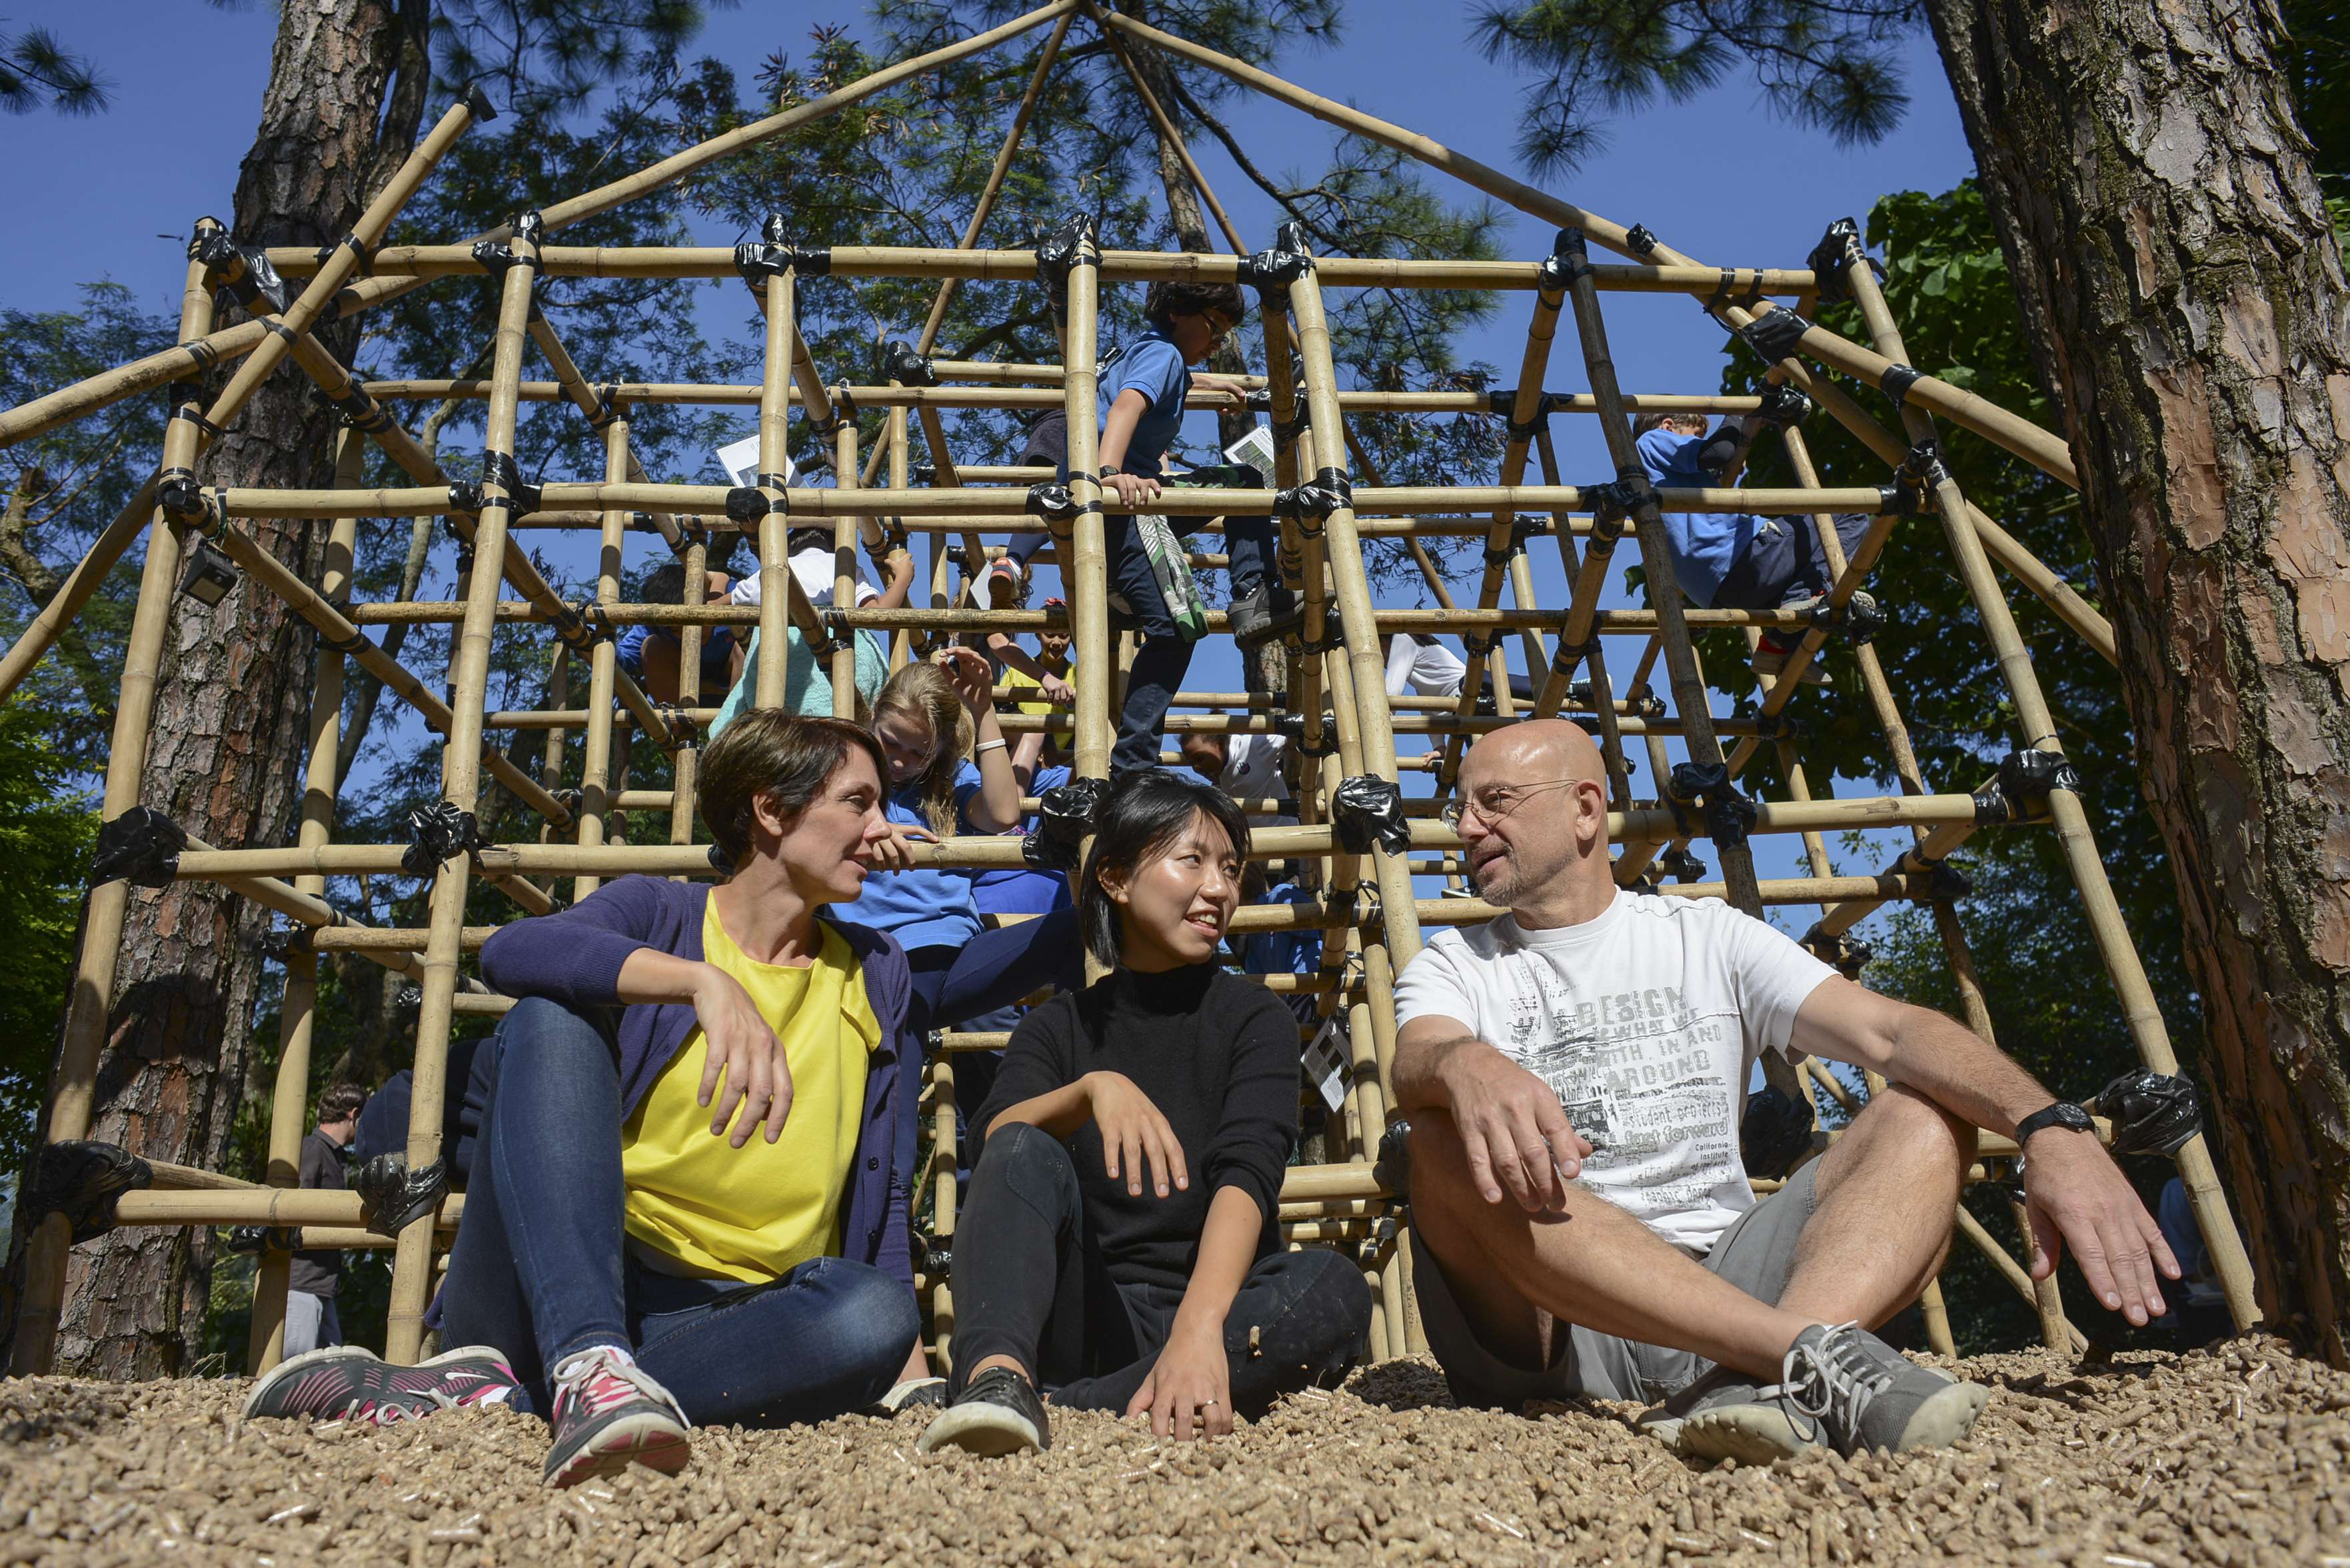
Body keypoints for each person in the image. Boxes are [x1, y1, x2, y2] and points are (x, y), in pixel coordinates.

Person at [243, 712, 1086, 1485]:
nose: (886, 827)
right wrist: (699, 984)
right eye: (860, 803)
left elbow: (896, 1168)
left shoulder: (876, 968)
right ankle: (585, 1359)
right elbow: (514, 949)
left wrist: (1081, 863)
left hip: (743, 1317)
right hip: (576, 1279)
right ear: (770, 810)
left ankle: (525, 1395)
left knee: (872, 1311)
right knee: (548, 1014)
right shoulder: (664, 913)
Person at [1389, 719, 2180, 1462]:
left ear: (1585, 809)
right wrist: (1464, 1064)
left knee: (1927, 1110)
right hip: (1552, 1320)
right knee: (1437, 1134)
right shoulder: (1453, 966)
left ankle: (1753, 1373)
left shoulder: (1705, 936)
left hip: (1727, 1275)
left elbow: (1894, 1034)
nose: (1464, 827)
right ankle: (1798, 1358)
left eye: (1493, 802)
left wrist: (2047, 1124)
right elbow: (1417, 1056)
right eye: (1460, 807)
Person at [917, 770, 1371, 1457]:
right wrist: (1089, 1091)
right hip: (1094, 1315)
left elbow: (1247, 1171)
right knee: (1019, 1143)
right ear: (1116, 879)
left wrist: (1197, 1330)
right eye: (1191, 860)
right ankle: (998, 1381)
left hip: (1218, 1313)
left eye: (1229, 868)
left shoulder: (1256, 1017)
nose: (1218, 889)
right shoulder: (1059, 1026)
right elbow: (996, 1145)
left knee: (1332, 1288)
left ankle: (1077, 1405)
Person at [979, 281, 1298, 773]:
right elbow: (1127, 404)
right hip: (1120, 505)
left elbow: (1159, 381)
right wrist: (1107, 475)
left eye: (1223, 336)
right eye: (1213, 329)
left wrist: (1212, 384)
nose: (1215, 344)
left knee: (1245, 483)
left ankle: (1250, 592)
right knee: (1179, 627)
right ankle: (1132, 762)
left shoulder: (1153, 352)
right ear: (1177, 312)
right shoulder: (1165, 357)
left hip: (1131, 500)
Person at [1632, 411, 1877, 682]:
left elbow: (1710, 464)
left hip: (1718, 591)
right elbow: (1719, 451)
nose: (1697, 442)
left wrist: (1715, 470)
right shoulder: (1653, 441)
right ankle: (1802, 597)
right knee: (1850, 514)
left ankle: (1777, 646)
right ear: (1668, 426)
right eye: (1696, 435)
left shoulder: (1653, 479)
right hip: (1740, 558)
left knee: (1804, 581)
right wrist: (1741, 414)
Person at [833, 650, 1022, 973]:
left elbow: (1003, 815)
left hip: (939, 939)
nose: (898, 762)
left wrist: (983, 711)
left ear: (942, 744)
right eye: (891, 742)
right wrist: (870, 826)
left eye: (919, 753)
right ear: (876, 711)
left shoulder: (954, 779)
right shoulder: (844, 769)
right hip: (858, 943)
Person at [708, 526, 916, 732]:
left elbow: (712, 610)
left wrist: (717, 580)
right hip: (840, 675)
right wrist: (903, 579)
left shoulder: (771, 571)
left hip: (775, 677)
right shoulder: (841, 566)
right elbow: (878, 614)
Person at [283, 1084, 367, 1357]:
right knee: (296, 1369)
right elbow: (295, 1205)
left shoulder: (334, 1155)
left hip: (323, 1283)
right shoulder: (312, 1149)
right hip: (301, 1282)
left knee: (332, 1368)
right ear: (354, 1115)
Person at [617, 563, 739, 705]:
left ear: (706, 598)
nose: (687, 634)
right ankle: (675, 725)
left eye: (693, 623)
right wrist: (593, 640)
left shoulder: (734, 597)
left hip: (734, 684)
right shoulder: (655, 622)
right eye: (675, 630)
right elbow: (623, 660)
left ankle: (738, 723)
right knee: (652, 646)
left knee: (749, 644)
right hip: (682, 689)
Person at [1176, 728, 1292, 820]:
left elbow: (1293, 736)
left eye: (1200, 758)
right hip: (1254, 845)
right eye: (1191, 763)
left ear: (1220, 744)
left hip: (1286, 837)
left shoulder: (1251, 747)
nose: (1196, 768)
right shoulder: (1219, 785)